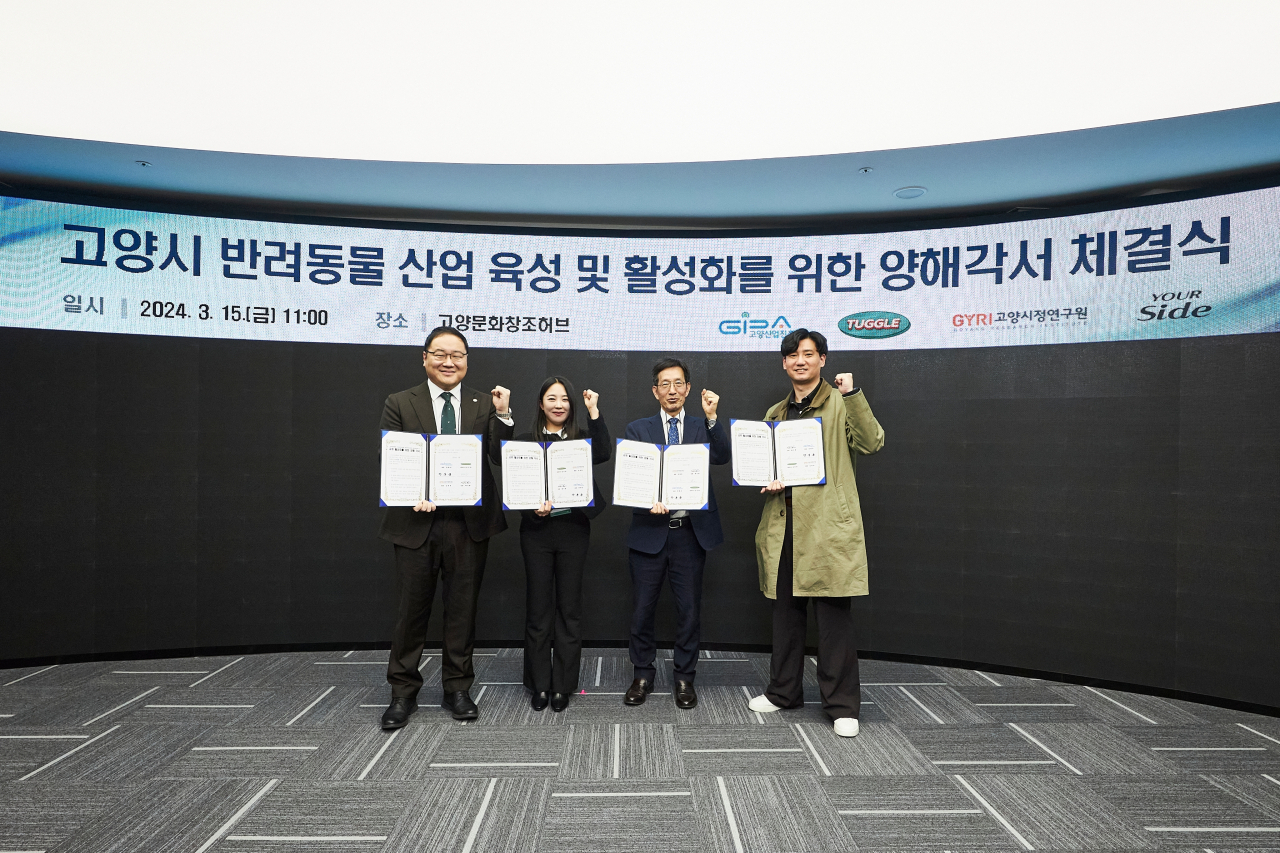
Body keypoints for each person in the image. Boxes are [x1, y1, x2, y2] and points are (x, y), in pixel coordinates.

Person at [746, 329, 884, 737]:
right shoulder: (776, 412)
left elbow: (873, 443)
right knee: (785, 615)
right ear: (784, 363)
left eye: (808, 354)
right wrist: (768, 478)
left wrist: (854, 393)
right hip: (785, 525)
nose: (800, 361)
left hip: (826, 529)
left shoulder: (842, 402)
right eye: (792, 355)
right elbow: (770, 465)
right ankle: (783, 691)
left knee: (833, 620)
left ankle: (842, 705)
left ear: (822, 359)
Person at [377, 326, 514, 728]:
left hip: (467, 525)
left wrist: (503, 415)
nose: (449, 362)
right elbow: (395, 456)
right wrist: (413, 490)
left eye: (457, 355)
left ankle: (458, 687)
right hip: (414, 520)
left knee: (462, 609)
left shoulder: (483, 402)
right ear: (425, 358)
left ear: (467, 361)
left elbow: (499, 456)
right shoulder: (400, 401)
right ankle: (402, 693)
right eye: (440, 354)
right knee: (411, 611)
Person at [622, 358, 730, 710]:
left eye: (678, 383)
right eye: (664, 384)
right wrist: (645, 499)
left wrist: (713, 418)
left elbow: (723, 457)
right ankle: (642, 675)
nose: (672, 390)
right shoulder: (638, 428)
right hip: (649, 532)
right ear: (655, 391)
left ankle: (685, 678)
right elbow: (630, 479)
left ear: (687, 388)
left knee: (689, 612)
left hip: (689, 534)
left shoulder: (702, 426)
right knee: (641, 610)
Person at [506, 376, 612, 712]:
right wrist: (531, 506)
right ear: (541, 404)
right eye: (551, 399)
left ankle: (563, 685)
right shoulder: (525, 442)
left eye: (565, 399)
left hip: (573, 530)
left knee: (569, 608)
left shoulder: (582, 439)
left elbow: (605, 452)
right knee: (538, 609)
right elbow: (510, 474)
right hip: (536, 532)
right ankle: (539, 684)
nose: (559, 405)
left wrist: (595, 412)